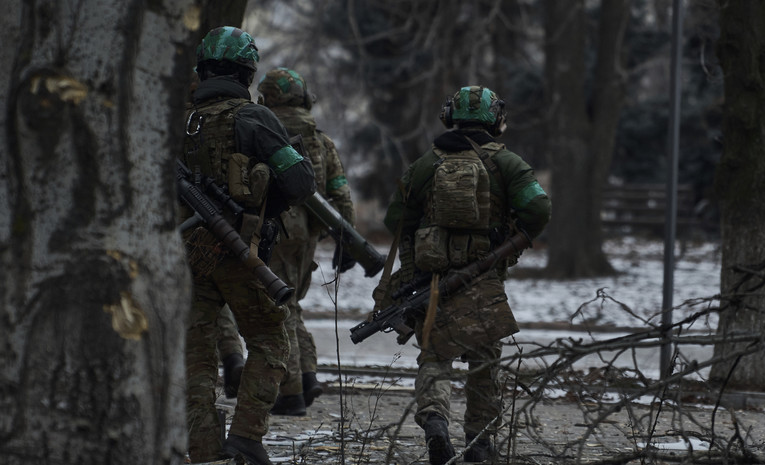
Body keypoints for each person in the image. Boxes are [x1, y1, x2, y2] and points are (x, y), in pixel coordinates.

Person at [380, 85, 550, 464]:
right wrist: (511, 238)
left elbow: (395, 219)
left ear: (449, 117)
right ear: (496, 120)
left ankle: (436, 421)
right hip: (485, 276)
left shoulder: (427, 163)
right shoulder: (508, 164)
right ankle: (480, 442)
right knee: (485, 359)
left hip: (432, 280)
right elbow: (538, 209)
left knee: (434, 356)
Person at [180, 26, 316, 465]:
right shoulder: (254, 118)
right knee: (273, 342)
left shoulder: (180, 122)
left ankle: (201, 447)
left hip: (186, 256)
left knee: (195, 355)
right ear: (247, 71)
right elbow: (299, 182)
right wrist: (259, 211)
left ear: (201, 70)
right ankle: (246, 436)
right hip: (242, 253)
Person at [256, 67, 356, 416]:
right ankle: (308, 375)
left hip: (276, 226)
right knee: (292, 302)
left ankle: (291, 392)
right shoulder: (320, 138)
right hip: (311, 231)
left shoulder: (262, 128)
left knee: (279, 307)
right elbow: (340, 192)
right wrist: (348, 239)